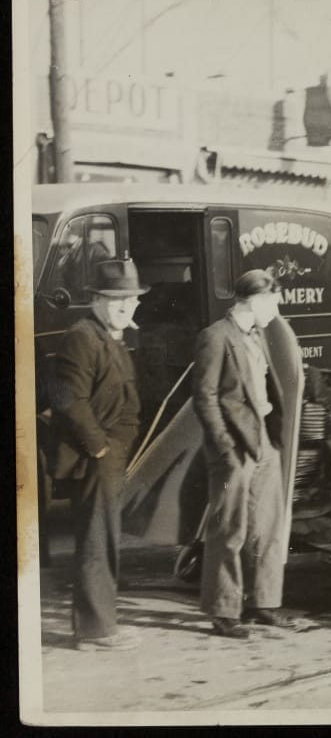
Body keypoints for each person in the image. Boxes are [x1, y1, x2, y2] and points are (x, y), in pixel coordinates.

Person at [48, 259, 148, 651]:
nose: (125, 306)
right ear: (95, 300)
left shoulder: (111, 336)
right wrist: (100, 447)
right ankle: (94, 631)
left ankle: (100, 625)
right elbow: (66, 398)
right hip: (95, 457)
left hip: (110, 455)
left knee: (103, 537)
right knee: (96, 540)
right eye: (115, 299)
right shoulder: (82, 337)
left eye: (131, 299)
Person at [192, 269, 294, 639]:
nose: (276, 311)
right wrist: (224, 446)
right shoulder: (215, 337)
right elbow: (204, 397)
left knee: (267, 526)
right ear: (254, 300)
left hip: (264, 438)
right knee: (229, 529)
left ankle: (263, 602)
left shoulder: (257, 335)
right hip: (234, 446)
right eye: (273, 303)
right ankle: (223, 611)